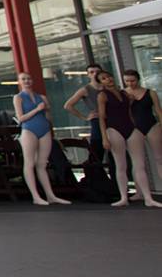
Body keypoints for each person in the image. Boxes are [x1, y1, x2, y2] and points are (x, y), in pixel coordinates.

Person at [99, 70, 162, 207]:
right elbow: (102, 117)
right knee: (122, 164)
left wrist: (135, 127)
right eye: (104, 78)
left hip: (137, 127)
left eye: (109, 76)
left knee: (146, 162)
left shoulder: (127, 94)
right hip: (117, 128)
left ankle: (147, 197)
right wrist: (104, 137)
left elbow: (133, 112)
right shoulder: (107, 95)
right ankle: (126, 196)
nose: (108, 79)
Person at [13, 72, 70, 206]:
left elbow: (49, 119)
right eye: (23, 79)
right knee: (29, 163)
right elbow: (20, 119)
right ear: (19, 82)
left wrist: (47, 109)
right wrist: (37, 109)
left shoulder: (41, 97)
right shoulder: (18, 97)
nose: (26, 81)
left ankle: (50, 195)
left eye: (28, 78)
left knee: (42, 163)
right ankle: (35, 195)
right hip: (29, 130)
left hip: (44, 129)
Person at [123, 69, 162, 202]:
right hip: (134, 128)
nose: (130, 83)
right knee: (138, 162)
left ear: (138, 79)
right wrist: (129, 101)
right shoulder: (123, 94)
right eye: (127, 81)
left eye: (132, 80)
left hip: (151, 125)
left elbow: (158, 110)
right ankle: (140, 192)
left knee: (159, 158)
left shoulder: (150, 93)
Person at [62, 63, 107, 165]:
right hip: (97, 121)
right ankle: (96, 178)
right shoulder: (85, 90)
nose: (95, 74)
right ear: (88, 75)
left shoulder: (108, 87)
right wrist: (84, 117)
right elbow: (68, 105)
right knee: (97, 152)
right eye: (92, 72)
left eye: (97, 72)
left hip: (112, 120)